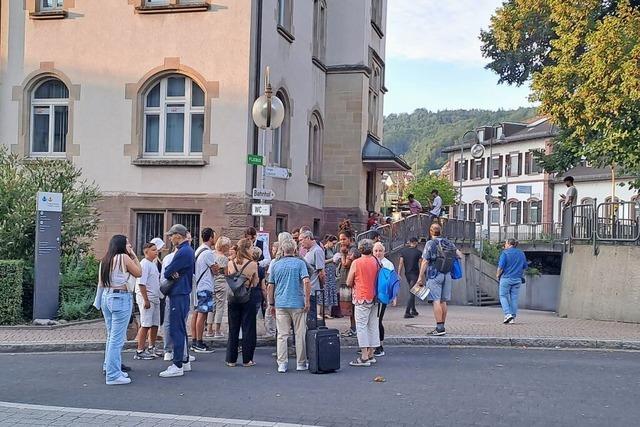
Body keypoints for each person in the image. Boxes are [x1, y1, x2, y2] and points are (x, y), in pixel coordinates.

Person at [98, 235, 141, 385]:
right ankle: (113, 375)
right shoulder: (123, 257)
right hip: (121, 298)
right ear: (122, 245)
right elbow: (138, 272)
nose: (130, 245)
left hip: (107, 297)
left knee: (111, 336)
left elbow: (101, 283)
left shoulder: (106, 259)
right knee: (117, 339)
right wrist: (133, 255)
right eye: (128, 243)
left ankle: (109, 367)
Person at [267, 239, 311, 373]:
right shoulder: (300, 263)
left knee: (282, 334)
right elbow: (306, 281)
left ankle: (282, 363)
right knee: (300, 334)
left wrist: (271, 304)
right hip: (297, 302)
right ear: (295, 249)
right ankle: (301, 362)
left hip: (280, 302)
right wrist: (307, 300)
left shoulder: (275, 264)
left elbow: (270, 286)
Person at [159, 224, 195, 378]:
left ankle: (177, 364)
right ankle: (184, 361)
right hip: (183, 292)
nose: (169, 238)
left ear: (178, 236)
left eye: (171, 235)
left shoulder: (182, 252)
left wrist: (172, 273)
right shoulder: (187, 250)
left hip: (178, 293)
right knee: (180, 327)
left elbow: (168, 272)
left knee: (176, 329)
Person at [416, 223, 462, 336]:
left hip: (434, 274)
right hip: (447, 273)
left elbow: (425, 261)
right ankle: (442, 326)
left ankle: (439, 327)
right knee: (443, 301)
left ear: (431, 232)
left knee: (436, 300)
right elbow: (459, 255)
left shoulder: (430, 243)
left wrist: (420, 276)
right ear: (440, 231)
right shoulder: (448, 242)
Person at [225, 238, 259, 367]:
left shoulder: (230, 263)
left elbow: (230, 278)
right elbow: (255, 282)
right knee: (248, 328)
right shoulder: (253, 264)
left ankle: (231, 359)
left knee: (233, 328)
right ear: (247, 249)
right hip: (247, 297)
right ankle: (247, 359)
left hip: (233, 298)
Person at [347, 239, 380, 367]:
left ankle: (364, 356)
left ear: (360, 249)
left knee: (361, 326)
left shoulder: (356, 262)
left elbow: (349, 281)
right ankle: (371, 353)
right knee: (372, 325)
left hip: (361, 296)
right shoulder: (376, 261)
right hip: (374, 296)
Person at [190, 228, 218, 353]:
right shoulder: (208, 253)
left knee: (196, 313)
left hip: (198, 286)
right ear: (211, 238)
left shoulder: (198, 250)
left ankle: (195, 339)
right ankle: (199, 342)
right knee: (203, 314)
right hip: (205, 286)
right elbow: (215, 269)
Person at [134, 242, 161, 360]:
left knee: (155, 324)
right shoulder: (144, 264)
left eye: (156, 250)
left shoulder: (153, 264)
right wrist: (145, 299)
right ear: (146, 252)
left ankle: (151, 346)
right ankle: (140, 350)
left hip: (155, 297)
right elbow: (141, 283)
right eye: (153, 250)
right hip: (147, 297)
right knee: (145, 324)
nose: (156, 252)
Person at [497, 238, 528, 324]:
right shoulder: (521, 253)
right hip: (517, 279)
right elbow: (525, 267)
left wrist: (497, 275)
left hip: (506, 278)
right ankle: (512, 317)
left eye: (506, 243)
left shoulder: (505, 253)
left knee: (503, 296)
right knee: (514, 298)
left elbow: (500, 267)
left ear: (509, 244)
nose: (505, 245)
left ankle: (508, 314)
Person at [372, 241, 395, 358]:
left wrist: (393, 297)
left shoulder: (388, 264)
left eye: (380, 250)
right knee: (371, 322)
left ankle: (380, 346)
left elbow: (392, 282)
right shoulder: (371, 262)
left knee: (377, 321)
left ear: (384, 252)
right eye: (376, 250)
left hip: (382, 297)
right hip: (371, 296)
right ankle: (370, 346)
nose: (378, 253)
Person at [336, 230, 359, 336]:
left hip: (351, 281)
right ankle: (352, 327)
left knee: (352, 306)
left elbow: (346, 264)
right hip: (345, 280)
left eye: (344, 239)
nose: (342, 242)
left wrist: (343, 254)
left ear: (350, 239)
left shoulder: (353, 249)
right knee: (350, 307)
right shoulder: (348, 249)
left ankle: (355, 328)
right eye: (340, 239)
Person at [299, 230, 325, 322]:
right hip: (307, 288)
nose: (300, 243)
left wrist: (321, 287)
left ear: (308, 238)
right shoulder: (309, 251)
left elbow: (321, 272)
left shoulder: (317, 251)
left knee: (311, 315)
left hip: (312, 288)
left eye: (301, 240)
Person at [207, 236, 230, 338]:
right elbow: (226, 273)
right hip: (221, 283)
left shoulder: (211, 254)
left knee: (211, 306)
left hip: (212, 282)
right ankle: (217, 330)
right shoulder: (224, 258)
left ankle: (209, 330)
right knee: (220, 307)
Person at [398, 237, 421, 318]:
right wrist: (422, 275)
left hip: (407, 274)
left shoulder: (403, 251)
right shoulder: (418, 252)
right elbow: (421, 264)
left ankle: (413, 309)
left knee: (413, 291)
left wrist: (399, 273)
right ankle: (407, 312)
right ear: (415, 243)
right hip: (415, 274)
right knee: (412, 292)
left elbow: (401, 263)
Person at [322, 235, 339, 318]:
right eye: (333, 243)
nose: (334, 245)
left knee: (331, 290)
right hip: (327, 272)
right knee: (326, 291)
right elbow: (322, 261)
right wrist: (332, 259)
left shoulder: (332, 249)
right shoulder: (324, 249)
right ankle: (325, 312)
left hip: (332, 273)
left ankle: (329, 312)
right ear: (328, 242)